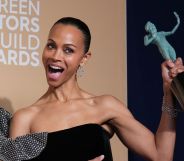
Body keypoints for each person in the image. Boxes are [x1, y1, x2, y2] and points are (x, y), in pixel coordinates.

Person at [6, 17, 182, 161]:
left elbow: (161, 156)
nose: (55, 56)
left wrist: (168, 92)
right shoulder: (25, 118)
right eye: (51, 46)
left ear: (84, 58)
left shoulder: (105, 105)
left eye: (68, 50)